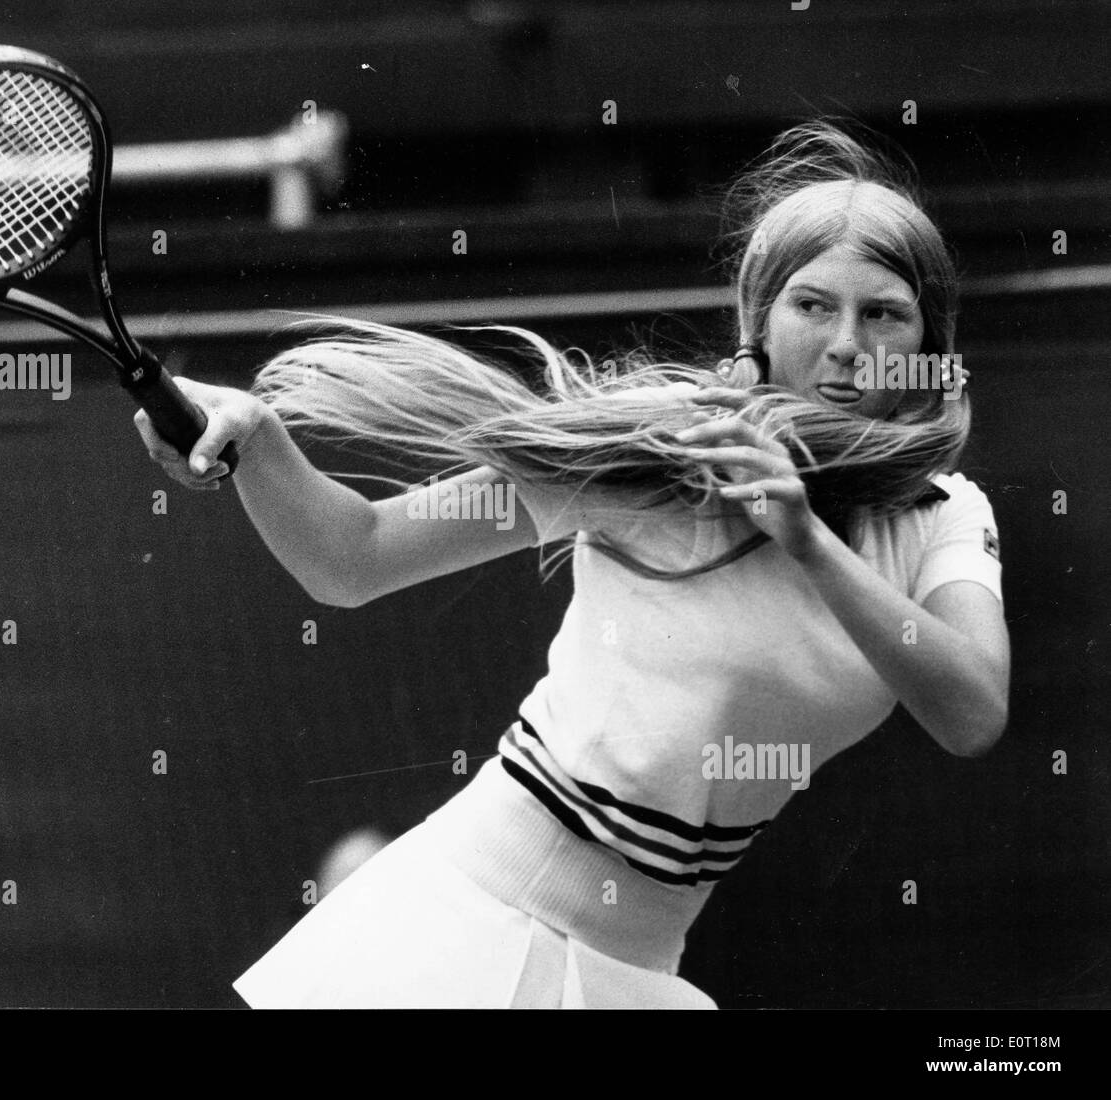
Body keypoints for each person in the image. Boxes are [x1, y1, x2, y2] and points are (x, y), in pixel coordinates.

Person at [135, 120, 1009, 1009]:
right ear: (760, 325)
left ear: (929, 346)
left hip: (634, 974)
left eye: (885, 313)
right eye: (813, 305)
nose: (847, 343)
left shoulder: (945, 517)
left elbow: (972, 711)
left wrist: (808, 541)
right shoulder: (664, 446)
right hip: (466, 927)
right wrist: (260, 441)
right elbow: (352, 558)